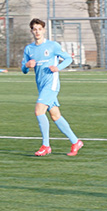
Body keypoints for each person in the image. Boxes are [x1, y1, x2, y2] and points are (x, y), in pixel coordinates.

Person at [21, 18, 84, 157]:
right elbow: (23, 69)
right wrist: (27, 66)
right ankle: (76, 141)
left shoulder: (52, 46)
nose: (37, 32)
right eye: (34, 29)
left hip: (51, 84)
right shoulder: (29, 49)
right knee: (55, 116)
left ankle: (46, 146)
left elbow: (68, 58)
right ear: (31, 31)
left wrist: (58, 67)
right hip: (41, 85)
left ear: (44, 30)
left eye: (39, 29)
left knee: (39, 111)